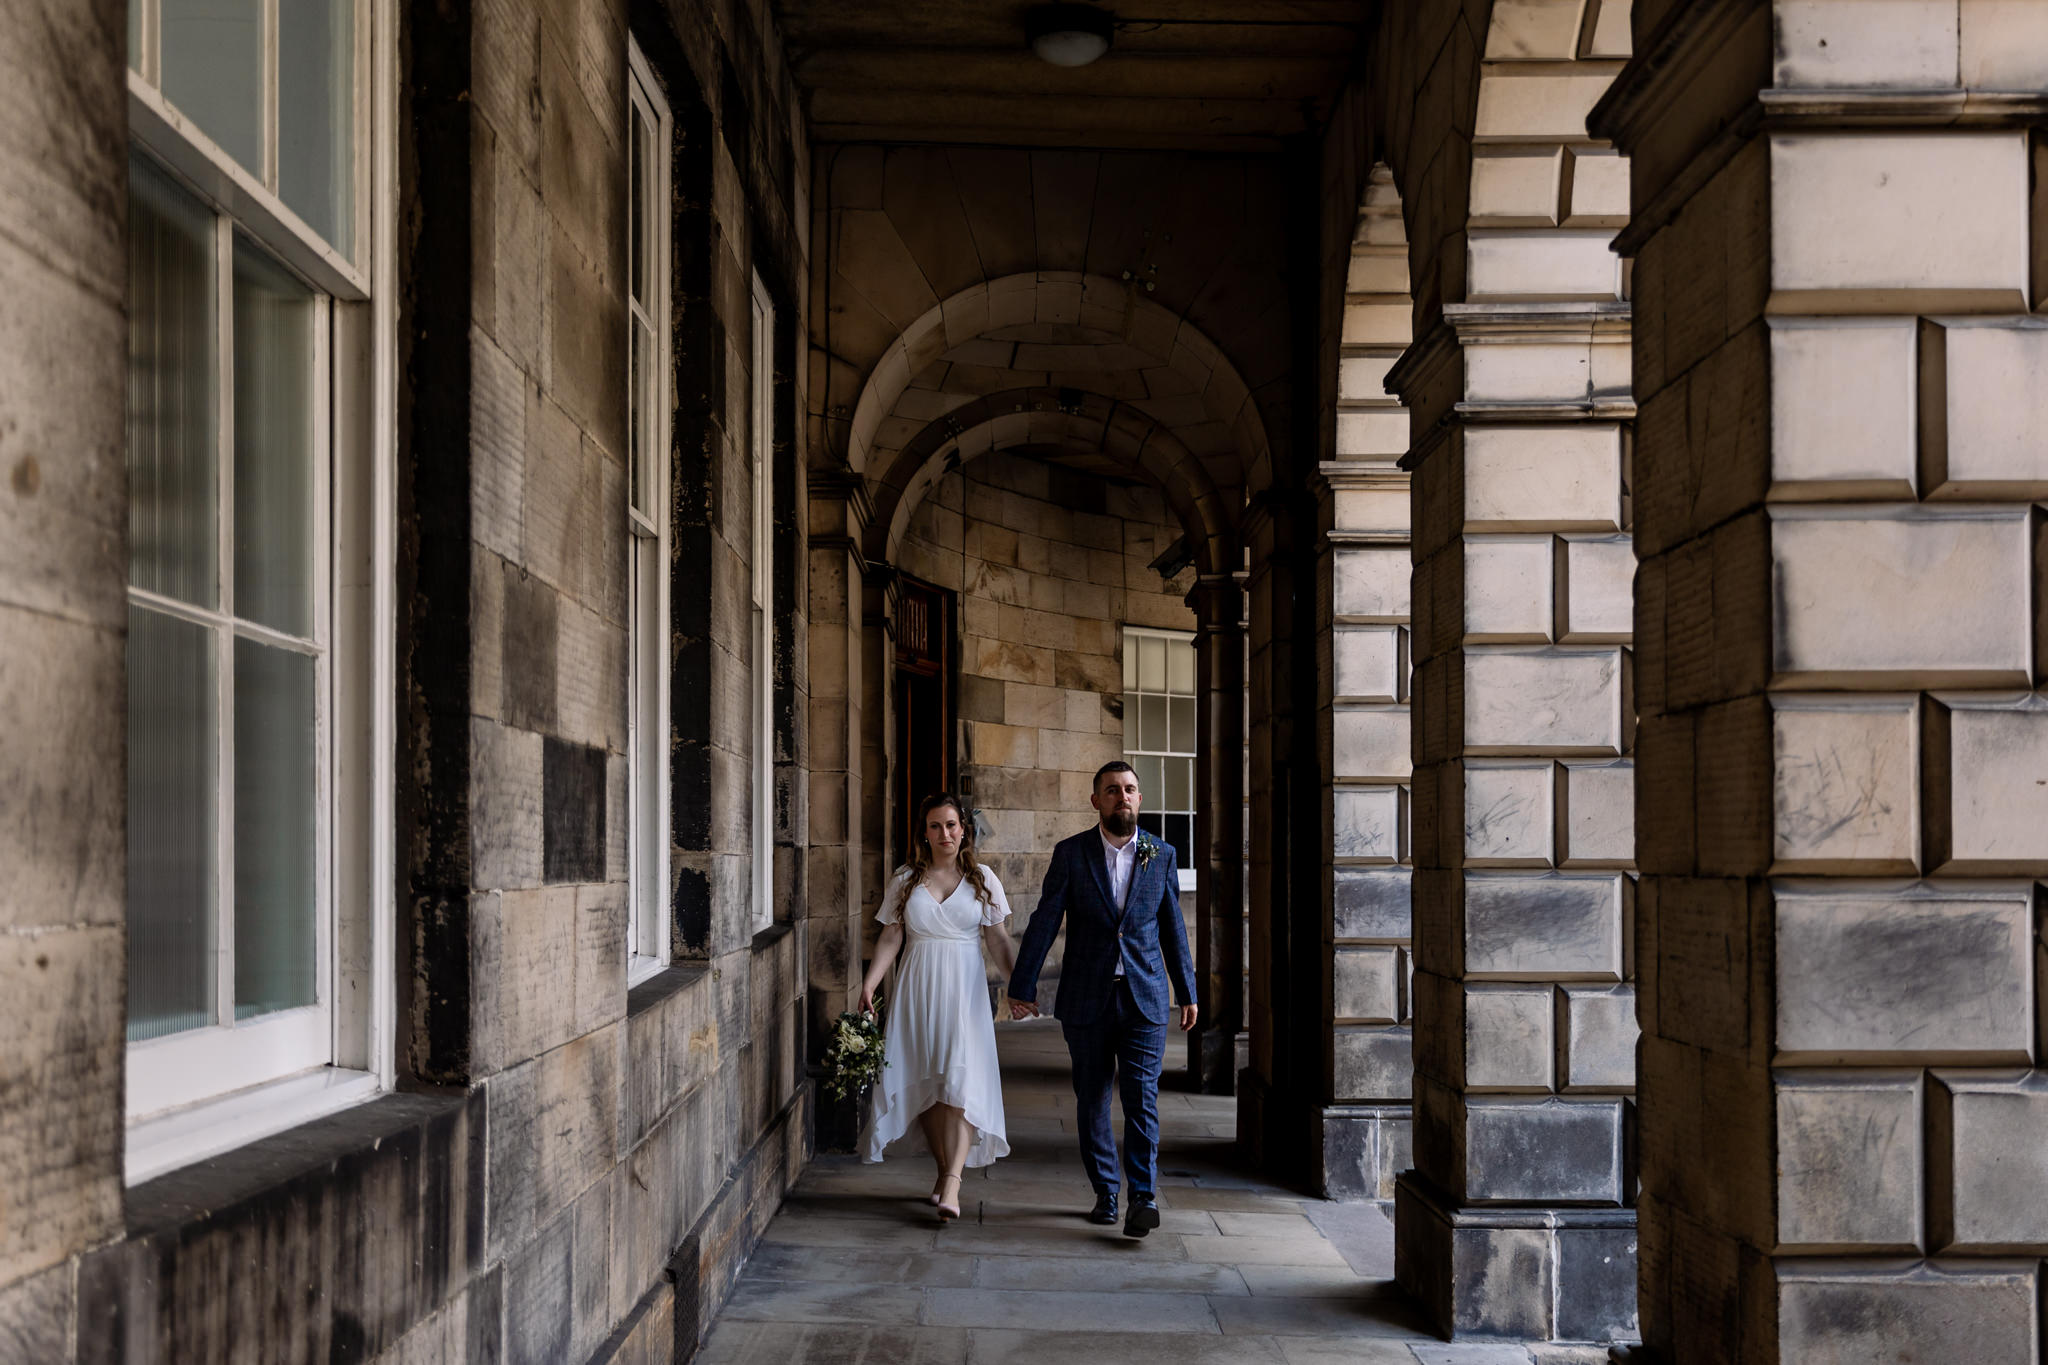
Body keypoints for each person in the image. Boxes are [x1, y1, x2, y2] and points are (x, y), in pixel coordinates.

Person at [1005, 761, 1198, 1239]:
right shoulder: (1071, 854)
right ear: (1096, 801)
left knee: (1141, 1099)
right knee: (1091, 1099)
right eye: (1112, 790)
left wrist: (1188, 990)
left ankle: (1143, 1198)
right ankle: (1106, 1191)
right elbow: (1045, 920)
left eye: (1130, 789)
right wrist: (1022, 985)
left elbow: (1173, 929)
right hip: (1086, 998)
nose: (1122, 797)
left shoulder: (1162, 854)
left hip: (1145, 998)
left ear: (1139, 797)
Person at [858, 793, 1019, 1221]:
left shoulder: (983, 878)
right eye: (935, 826)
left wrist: (1019, 986)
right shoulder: (907, 878)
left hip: (964, 989)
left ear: (964, 829)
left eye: (951, 825)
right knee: (927, 1080)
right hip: (917, 985)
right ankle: (944, 1170)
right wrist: (869, 985)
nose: (944, 833)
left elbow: (999, 940)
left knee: (960, 1081)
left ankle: (953, 1182)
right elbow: (892, 935)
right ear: (924, 832)